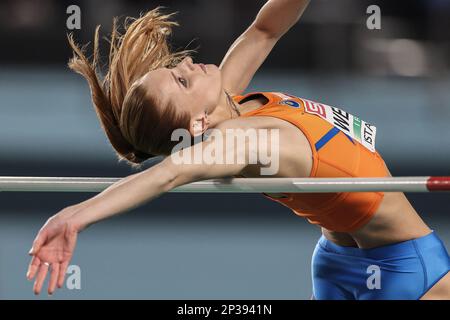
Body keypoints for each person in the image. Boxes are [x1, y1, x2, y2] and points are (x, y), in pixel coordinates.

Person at [26, 1, 449, 299]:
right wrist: (75, 216)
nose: (188, 65)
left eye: (175, 70)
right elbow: (167, 174)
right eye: (182, 82)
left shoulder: (230, 100)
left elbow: (266, 28)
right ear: (196, 125)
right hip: (405, 267)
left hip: (339, 263)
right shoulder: (242, 143)